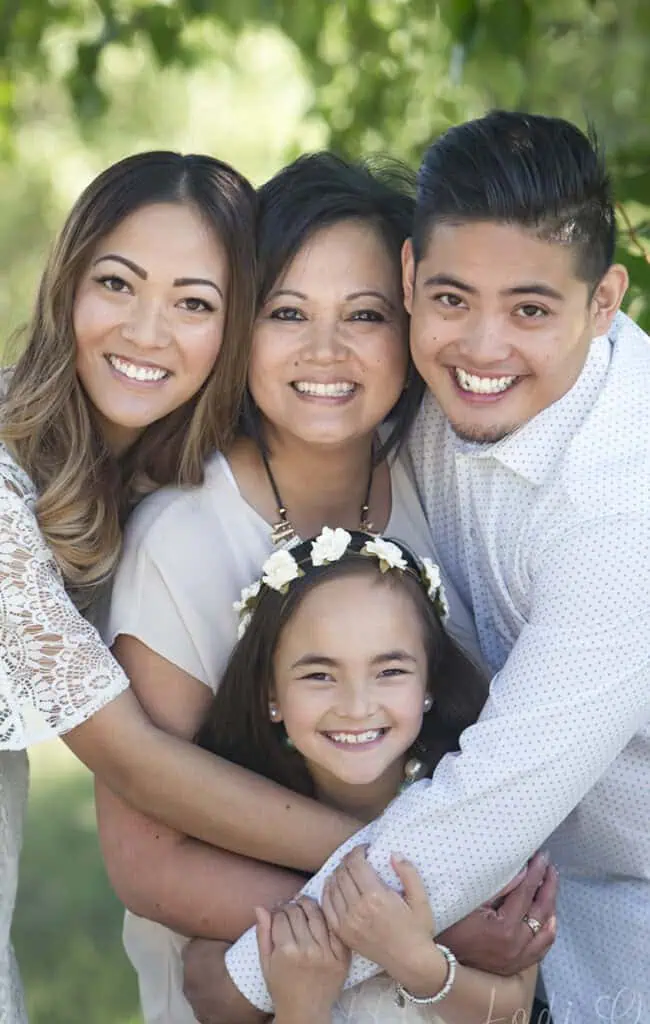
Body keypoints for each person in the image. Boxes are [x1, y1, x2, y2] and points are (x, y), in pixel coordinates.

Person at [95, 153, 551, 1024]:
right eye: (287, 313)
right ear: (239, 330)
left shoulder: (434, 483)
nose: (325, 352)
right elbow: (150, 865)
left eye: (366, 315)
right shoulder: (181, 540)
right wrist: (437, 912)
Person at [219, 112, 650, 1022]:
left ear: (605, 302)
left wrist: (243, 984)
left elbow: (491, 802)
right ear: (410, 279)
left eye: (531, 309)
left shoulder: (625, 505)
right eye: (452, 300)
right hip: (525, 895)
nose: (482, 349)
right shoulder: (425, 391)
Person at [0, 148, 357, 1024]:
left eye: (194, 303)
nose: (146, 332)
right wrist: (409, 864)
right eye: (117, 284)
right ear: (67, 286)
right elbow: (133, 759)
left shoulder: (144, 482)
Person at [196, 526, 543, 1023]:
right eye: (319, 675)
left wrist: (412, 959)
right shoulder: (238, 835)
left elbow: (515, 1011)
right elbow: (204, 987)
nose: (357, 707)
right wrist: (302, 1004)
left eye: (390, 672)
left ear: (429, 683)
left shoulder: (475, 812)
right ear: (271, 694)